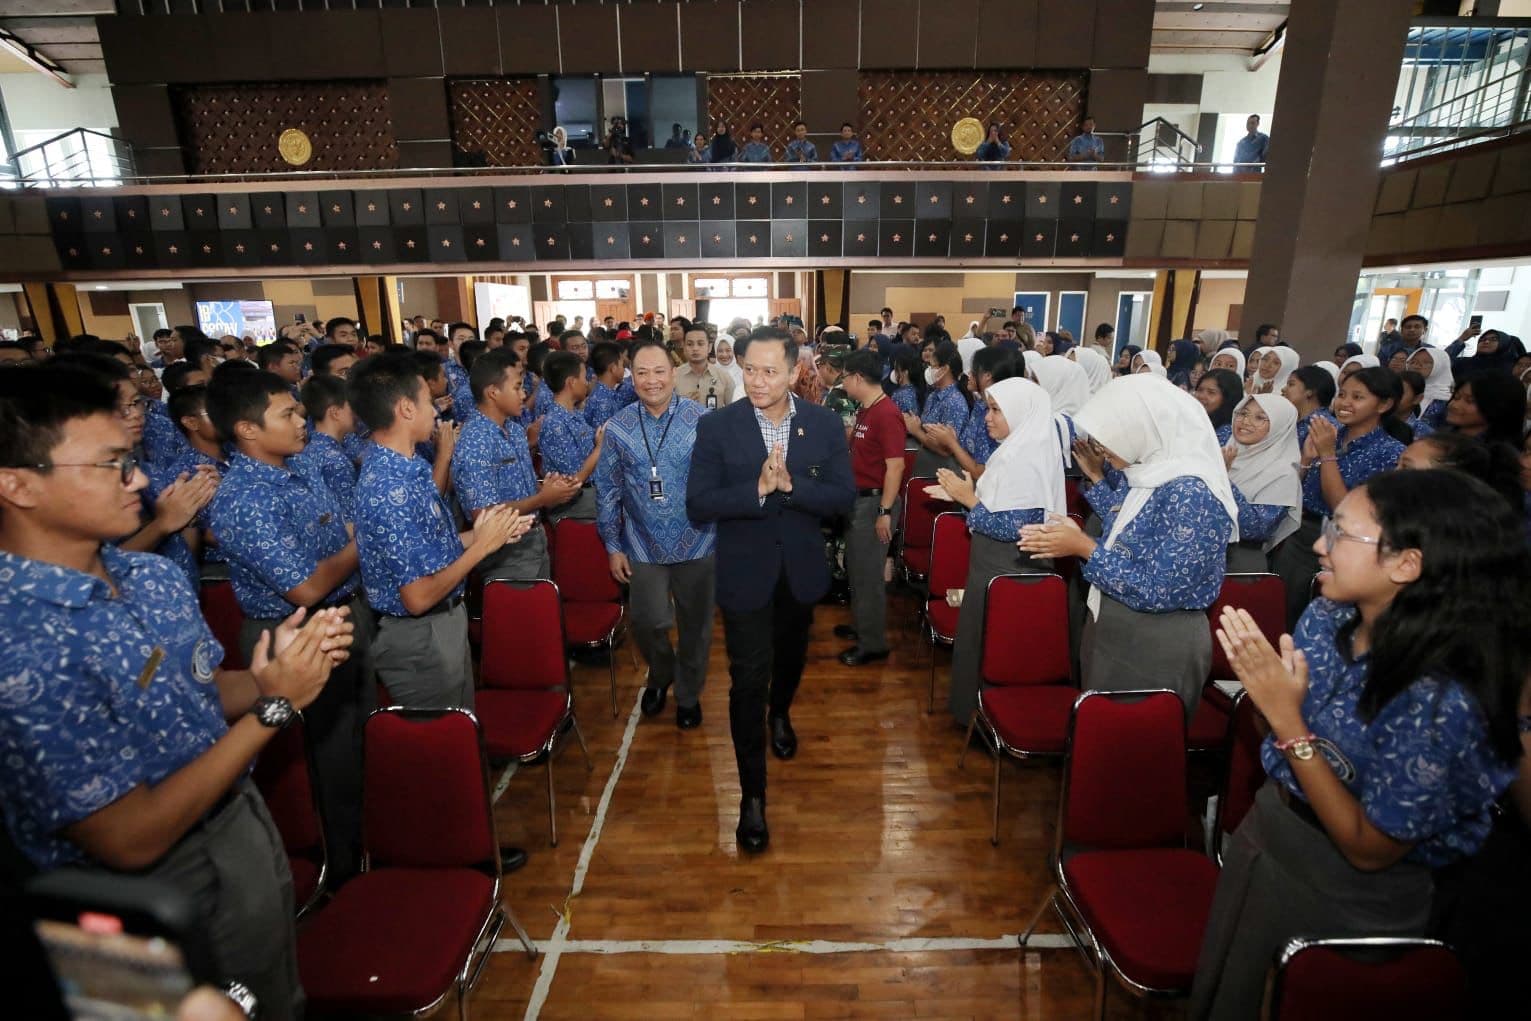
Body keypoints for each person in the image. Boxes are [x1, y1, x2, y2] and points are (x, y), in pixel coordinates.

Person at [0, 362, 354, 1021]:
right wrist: (276, 705)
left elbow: (194, 694)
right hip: (130, 894)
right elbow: (127, 836)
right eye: (110, 464)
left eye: (130, 458)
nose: (137, 478)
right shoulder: (20, 637)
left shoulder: (150, 576)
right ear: (18, 483)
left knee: (274, 998)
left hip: (236, 821)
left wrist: (270, 677)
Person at [1191, 469, 1530, 1020]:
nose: (1320, 544)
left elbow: (1368, 848)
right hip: (1272, 835)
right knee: (1232, 987)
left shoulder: (1443, 697)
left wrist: (1286, 719)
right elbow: (1277, 750)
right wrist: (1270, 704)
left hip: (1346, 892)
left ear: (1406, 563)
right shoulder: (1328, 617)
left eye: (1342, 533)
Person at [685, 327, 855, 853]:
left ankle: (781, 710)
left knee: (789, 662)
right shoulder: (718, 427)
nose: (758, 382)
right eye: (750, 370)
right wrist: (757, 488)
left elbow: (842, 497)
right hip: (744, 574)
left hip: (799, 574)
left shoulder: (824, 424)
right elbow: (699, 503)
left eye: (770, 371)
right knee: (745, 682)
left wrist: (792, 487)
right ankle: (752, 798)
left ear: (794, 372)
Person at [205, 369, 374, 883]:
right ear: (247, 430)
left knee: (359, 743)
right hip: (290, 635)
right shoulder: (243, 497)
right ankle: (342, 875)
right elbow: (303, 588)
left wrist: (351, 543)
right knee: (326, 765)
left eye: (300, 411)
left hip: (340, 616)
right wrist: (367, 540)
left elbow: (337, 539)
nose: (302, 421)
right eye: (288, 414)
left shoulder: (299, 471)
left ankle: (371, 851)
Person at [1020, 375, 1237, 716]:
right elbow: (1129, 531)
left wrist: (1085, 548)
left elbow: (1160, 589)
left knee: (1134, 750)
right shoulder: (1149, 473)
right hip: (1118, 624)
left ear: (1143, 427)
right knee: (1101, 737)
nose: (1101, 448)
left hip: (1156, 642)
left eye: (1108, 436)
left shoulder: (1192, 492)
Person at [352, 352, 530, 709]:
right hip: (420, 636)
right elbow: (417, 597)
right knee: (440, 750)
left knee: (461, 727)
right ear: (405, 409)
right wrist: (482, 548)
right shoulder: (388, 487)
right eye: (428, 402)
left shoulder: (410, 467)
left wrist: (489, 533)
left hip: (443, 622)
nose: (436, 411)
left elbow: (435, 548)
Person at [596, 339, 716, 728]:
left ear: (673, 373)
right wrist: (613, 546)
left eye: (659, 371)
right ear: (631, 377)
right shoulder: (617, 428)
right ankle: (661, 674)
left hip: (698, 541)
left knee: (696, 626)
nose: (651, 381)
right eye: (642, 372)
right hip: (642, 545)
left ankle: (687, 694)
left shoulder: (703, 421)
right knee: (647, 623)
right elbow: (609, 489)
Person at [938, 378, 1067, 727]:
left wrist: (968, 500)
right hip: (992, 562)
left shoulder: (1025, 460)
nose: (987, 418)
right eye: (989, 408)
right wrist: (967, 501)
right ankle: (976, 713)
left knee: (997, 643)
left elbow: (1015, 529)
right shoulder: (1014, 449)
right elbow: (995, 512)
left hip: (1010, 566)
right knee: (981, 636)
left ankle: (991, 719)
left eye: (996, 410)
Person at [1273, 366, 1405, 628]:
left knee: (1314, 620)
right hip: (1299, 533)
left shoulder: (1390, 452)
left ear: (1384, 404)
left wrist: (1326, 455)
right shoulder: (1330, 434)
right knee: (1279, 612)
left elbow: (1341, 508)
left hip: (1342, 541)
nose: (1344, 403)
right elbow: (1298, 489)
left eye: (1358, 397)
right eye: (1342, 394)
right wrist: (1308, 461)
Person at [451, 349, 579, 581]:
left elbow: (524, 487)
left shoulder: (513, 429)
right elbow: (485, 514)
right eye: (517, 387)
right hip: (505, 556)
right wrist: (542, 500)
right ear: (493, 393)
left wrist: (548, 489)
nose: (524, 394)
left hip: (534, 540)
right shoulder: (475, 441)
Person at [835, 349, 907, 667]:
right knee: (857, 569)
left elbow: (895, 467)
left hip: (875, 503)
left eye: (845, 378)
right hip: (859, 500)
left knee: (868, 577)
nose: (843, 384)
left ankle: (873, 643)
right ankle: (863, 626)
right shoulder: (867, 409)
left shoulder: (886, 413)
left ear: (858, 378)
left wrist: (884, 512)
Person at [1224, 394, 1302, 573]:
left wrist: (1223, 479)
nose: (1246, 421)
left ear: (1280, 427)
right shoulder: (1228, 452)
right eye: (1243, 413)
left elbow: (1256, 528)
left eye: (1259, 418)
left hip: (1239, 564)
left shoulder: (1283, 474)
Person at [537, 351, 604, 522]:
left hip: (592, 495)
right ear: (571, 383)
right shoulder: (555, 423)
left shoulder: (573, 413)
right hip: (578, 507)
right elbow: (574, 480)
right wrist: (599, 449)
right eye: (583, 377)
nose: (587, 382)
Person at [291, 374, 359, 520]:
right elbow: (351, 519)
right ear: (335, 413)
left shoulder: (310, 448)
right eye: (352, 406)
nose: (357, 412)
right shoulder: (336, 462)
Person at [904, 340, 971, 476]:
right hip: (926, 462)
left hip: (943, 471)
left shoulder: (954, 402)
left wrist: (916, 431)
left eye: (932, 366)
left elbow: (946, 450)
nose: (929, 370)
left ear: (944, 369)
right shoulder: (934, 395)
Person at [1441, 372, 1527, 447]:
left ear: (1498, 407)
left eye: (1470, 401)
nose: (1454, 405)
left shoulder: (1499, 456)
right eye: (1456, 397)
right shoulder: (1441, 437)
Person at [674, 325, 735, 408]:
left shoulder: (724, 377)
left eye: (700, 344)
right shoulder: (673, 377)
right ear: (684, 347)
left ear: (709, 347)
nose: (695, 348)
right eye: (690, 344)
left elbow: (733, 411)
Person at [1283, 364, 1338, 452]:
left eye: (1291, 384)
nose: (1283, 389)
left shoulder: (1324, 426)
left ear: (1310, 391)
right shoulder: (1292, 419)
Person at [1405, 346, 1455, 428]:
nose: (1417, 366)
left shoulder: (1448, 399)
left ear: (1440, 366)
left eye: (1426, 362)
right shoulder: (1401, 389)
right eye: (1413, 362)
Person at [1194, 368, 1243, 446]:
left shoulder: (1227, 434)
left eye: (1211, 392)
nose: (1202, 396)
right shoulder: (1192, 418)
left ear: (1228, 398)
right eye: (1200, 390)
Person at [714, 336, 745, 401]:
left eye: (728, 350)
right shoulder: (710, 371)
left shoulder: (743, 373)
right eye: (720, 351)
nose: (724, 354)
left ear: (734, 351)